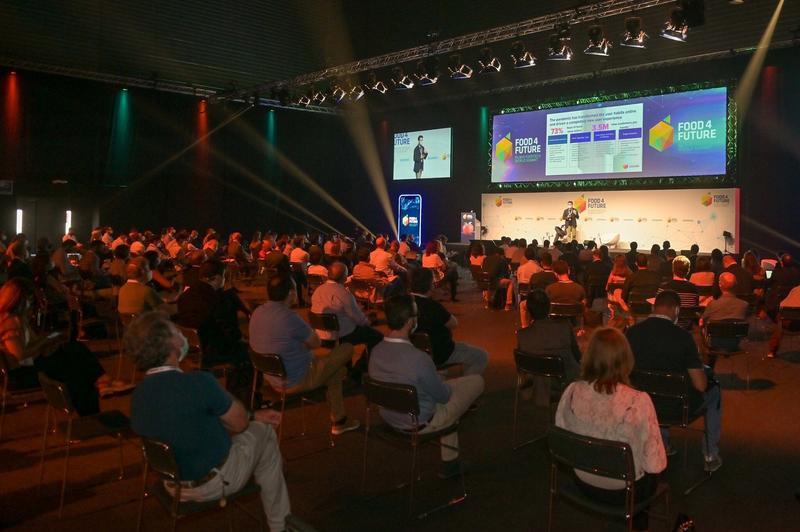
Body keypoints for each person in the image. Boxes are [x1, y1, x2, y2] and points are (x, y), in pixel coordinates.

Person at [127, 312, 290, 532]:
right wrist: (248, 416)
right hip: (212, 481)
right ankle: (280, 525)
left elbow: (183, 420)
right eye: (176, 332)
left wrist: (253, 415)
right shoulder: (198, 383)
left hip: (173, 483)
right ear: (170, 344)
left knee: (254, 429)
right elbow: (240, 424)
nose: (182, 336)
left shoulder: (139, 395)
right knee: (265, 433)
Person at [555, 327, 666, 532]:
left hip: (583, 480)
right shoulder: (638, 401)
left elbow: (562, 437)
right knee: (651, 469)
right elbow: (655, 464)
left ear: (589, 355)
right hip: (624, 492)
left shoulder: (571, 392)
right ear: (625, 359)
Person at [368, 294, 484, 478]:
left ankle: (451, 460)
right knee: (475, 382)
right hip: (419, 421)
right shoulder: (419, 358)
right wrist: (446, 387)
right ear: (410, 322)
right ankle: (450, 464)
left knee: (446, 392)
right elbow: (443, 397)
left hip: (390, 416)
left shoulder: (375, 351)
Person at [249, 272, 359, 435]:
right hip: (296, 378)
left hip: (271, 376)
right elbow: (316, 343)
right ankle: (339, 421)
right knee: (347, 348)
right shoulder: (289, 317)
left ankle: (340, 420)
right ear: (290, 293)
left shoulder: (258, 312)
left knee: (336, 372)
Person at [626, 290, 722, 472]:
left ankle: (662, 444)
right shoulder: (683, 337)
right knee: (713, 391)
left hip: (641, 403)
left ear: (653, 308)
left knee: (656, 388)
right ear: (677, 310)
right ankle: (711, 454)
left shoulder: (632, 333)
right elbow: (700, 385)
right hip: (678, 408)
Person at [0, 277, 108, 415]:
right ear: (18, 300)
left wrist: (47, 342)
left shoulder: (16, 318)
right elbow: (21, 357)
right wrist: (44, 343)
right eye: (29, 299)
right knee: (74, 368)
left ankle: (99, 388)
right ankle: (97, 395)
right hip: (23, 373)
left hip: (27, 366)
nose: (32, 303)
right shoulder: (11, 322)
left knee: (72, 350)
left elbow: (28, 348)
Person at [176, 259, 253, 401]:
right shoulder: (217, 300)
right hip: (211, 350)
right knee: (247, 355)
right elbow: (229, 330)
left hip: (189, 348)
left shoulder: (185, 296)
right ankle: (240, 399)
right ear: (217, 278)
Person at [410, 267, 488, 375]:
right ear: (430, 285)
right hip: (440, 352)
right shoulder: (432, 307)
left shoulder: (403, 303)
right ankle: (466, 381)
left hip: (412, 351)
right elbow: (453, 323)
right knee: (481, 356)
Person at [310, 262, 383, 366]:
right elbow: (359, 319)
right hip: (341, 333)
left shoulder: (318, 290)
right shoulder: (343, 293)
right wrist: (368, 321)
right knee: (377, 336)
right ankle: (361, 367)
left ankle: (346, 366)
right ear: (344, 277)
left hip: (320, 331)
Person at [517, 290, 581, 394]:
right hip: (566, 380)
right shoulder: (564, 327)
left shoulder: (522, 336)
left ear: (528, 311)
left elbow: (522, 368)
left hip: (536, 382)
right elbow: (576, 354)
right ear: (549, 307)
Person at [701, 272, 748, 352]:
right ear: (735, 285)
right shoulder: (744, 305)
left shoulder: (713, 304)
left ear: (720, 285)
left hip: (715, 343)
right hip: (735, 343)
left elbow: (703, 320)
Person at [657, 255, 699, 328]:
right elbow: (695, 306)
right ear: (688, 271)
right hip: (686, 326)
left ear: (673, 269)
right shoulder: (694, 289)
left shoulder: (663, 288)